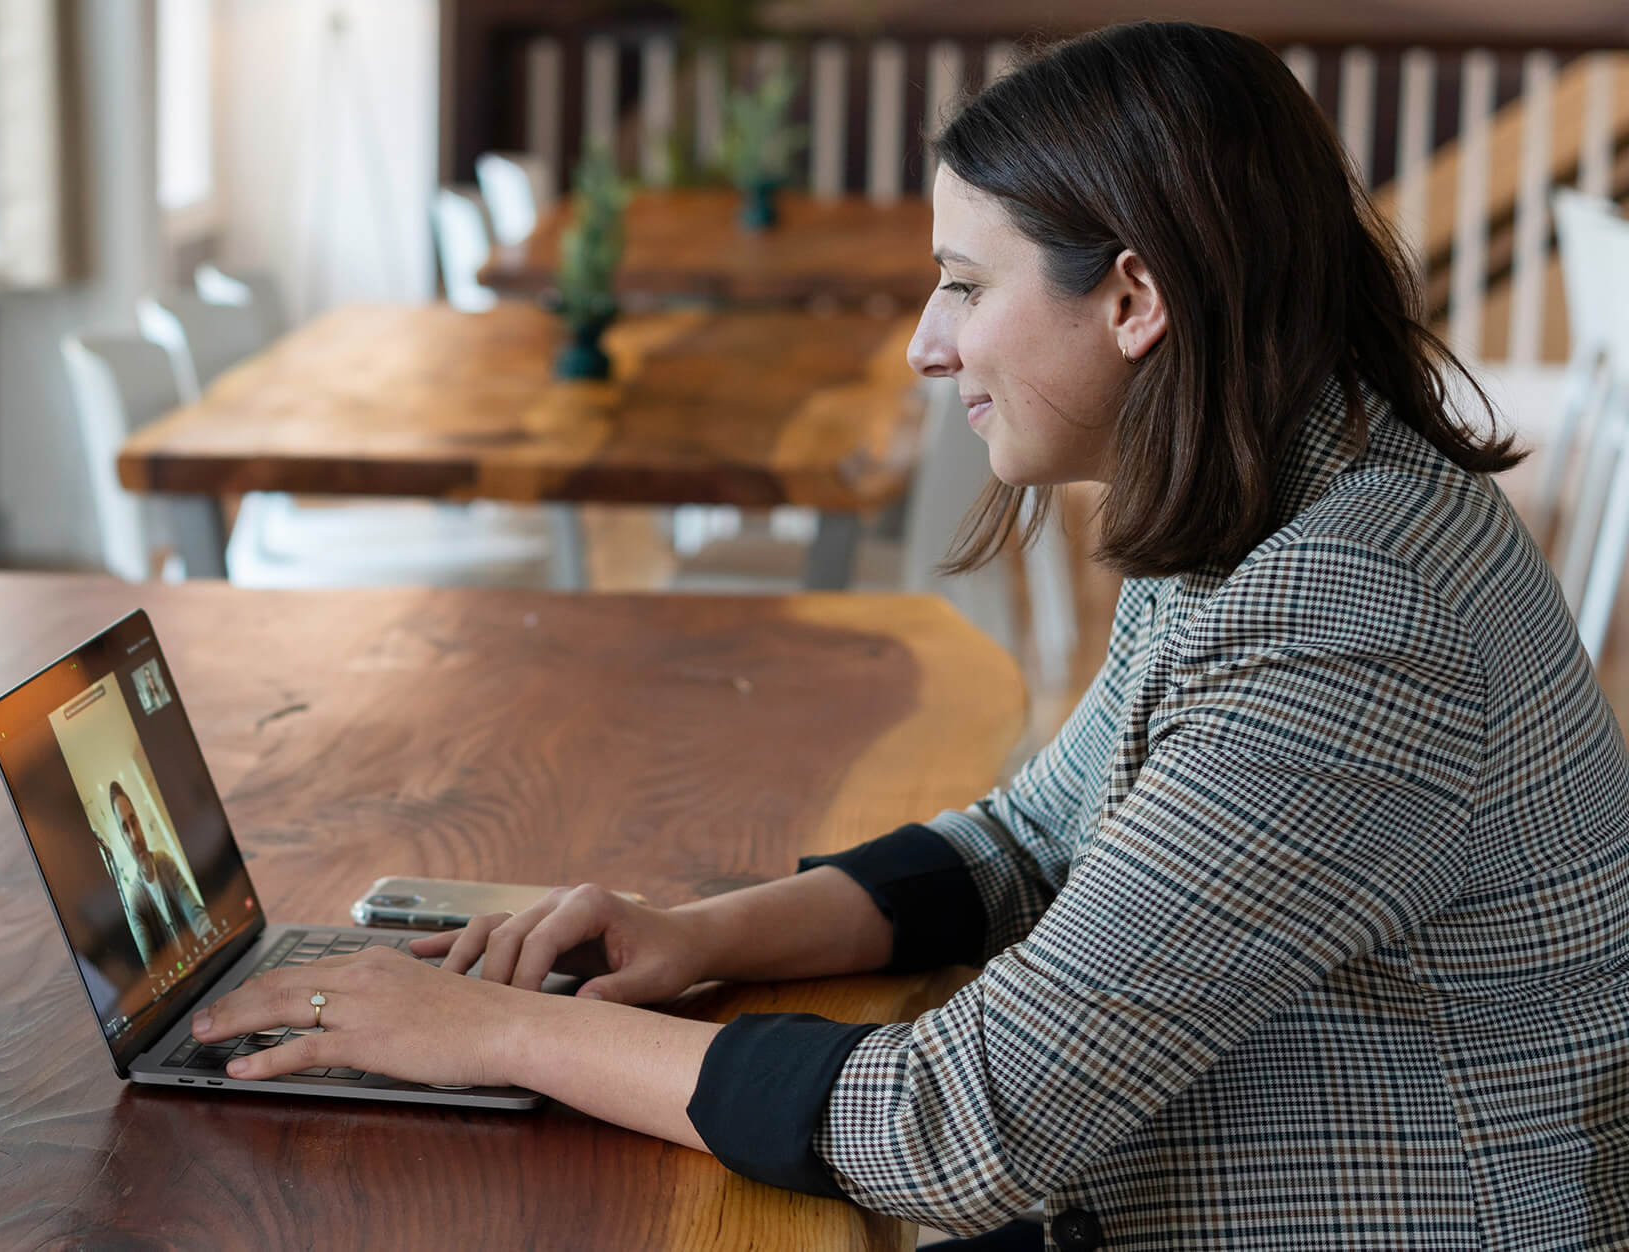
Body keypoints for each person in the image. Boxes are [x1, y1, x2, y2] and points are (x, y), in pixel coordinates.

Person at [190, 22, 1629, 1249]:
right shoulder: (1281, 491)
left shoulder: (1355, 615)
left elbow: (963, 1122)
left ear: (1134, 299)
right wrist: (695, 937)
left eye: (965, 281)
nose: (924, 345)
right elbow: (1030, 840)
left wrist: (496, 1039)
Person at [108, 779, 212, 968]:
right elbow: (151, 967)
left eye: (134, 822)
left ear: (140, 821)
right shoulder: (135, 901)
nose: (134, 836)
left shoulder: (165, 862)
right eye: (125, 828)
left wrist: (214, 936)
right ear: (123, 838)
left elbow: (196, 914)